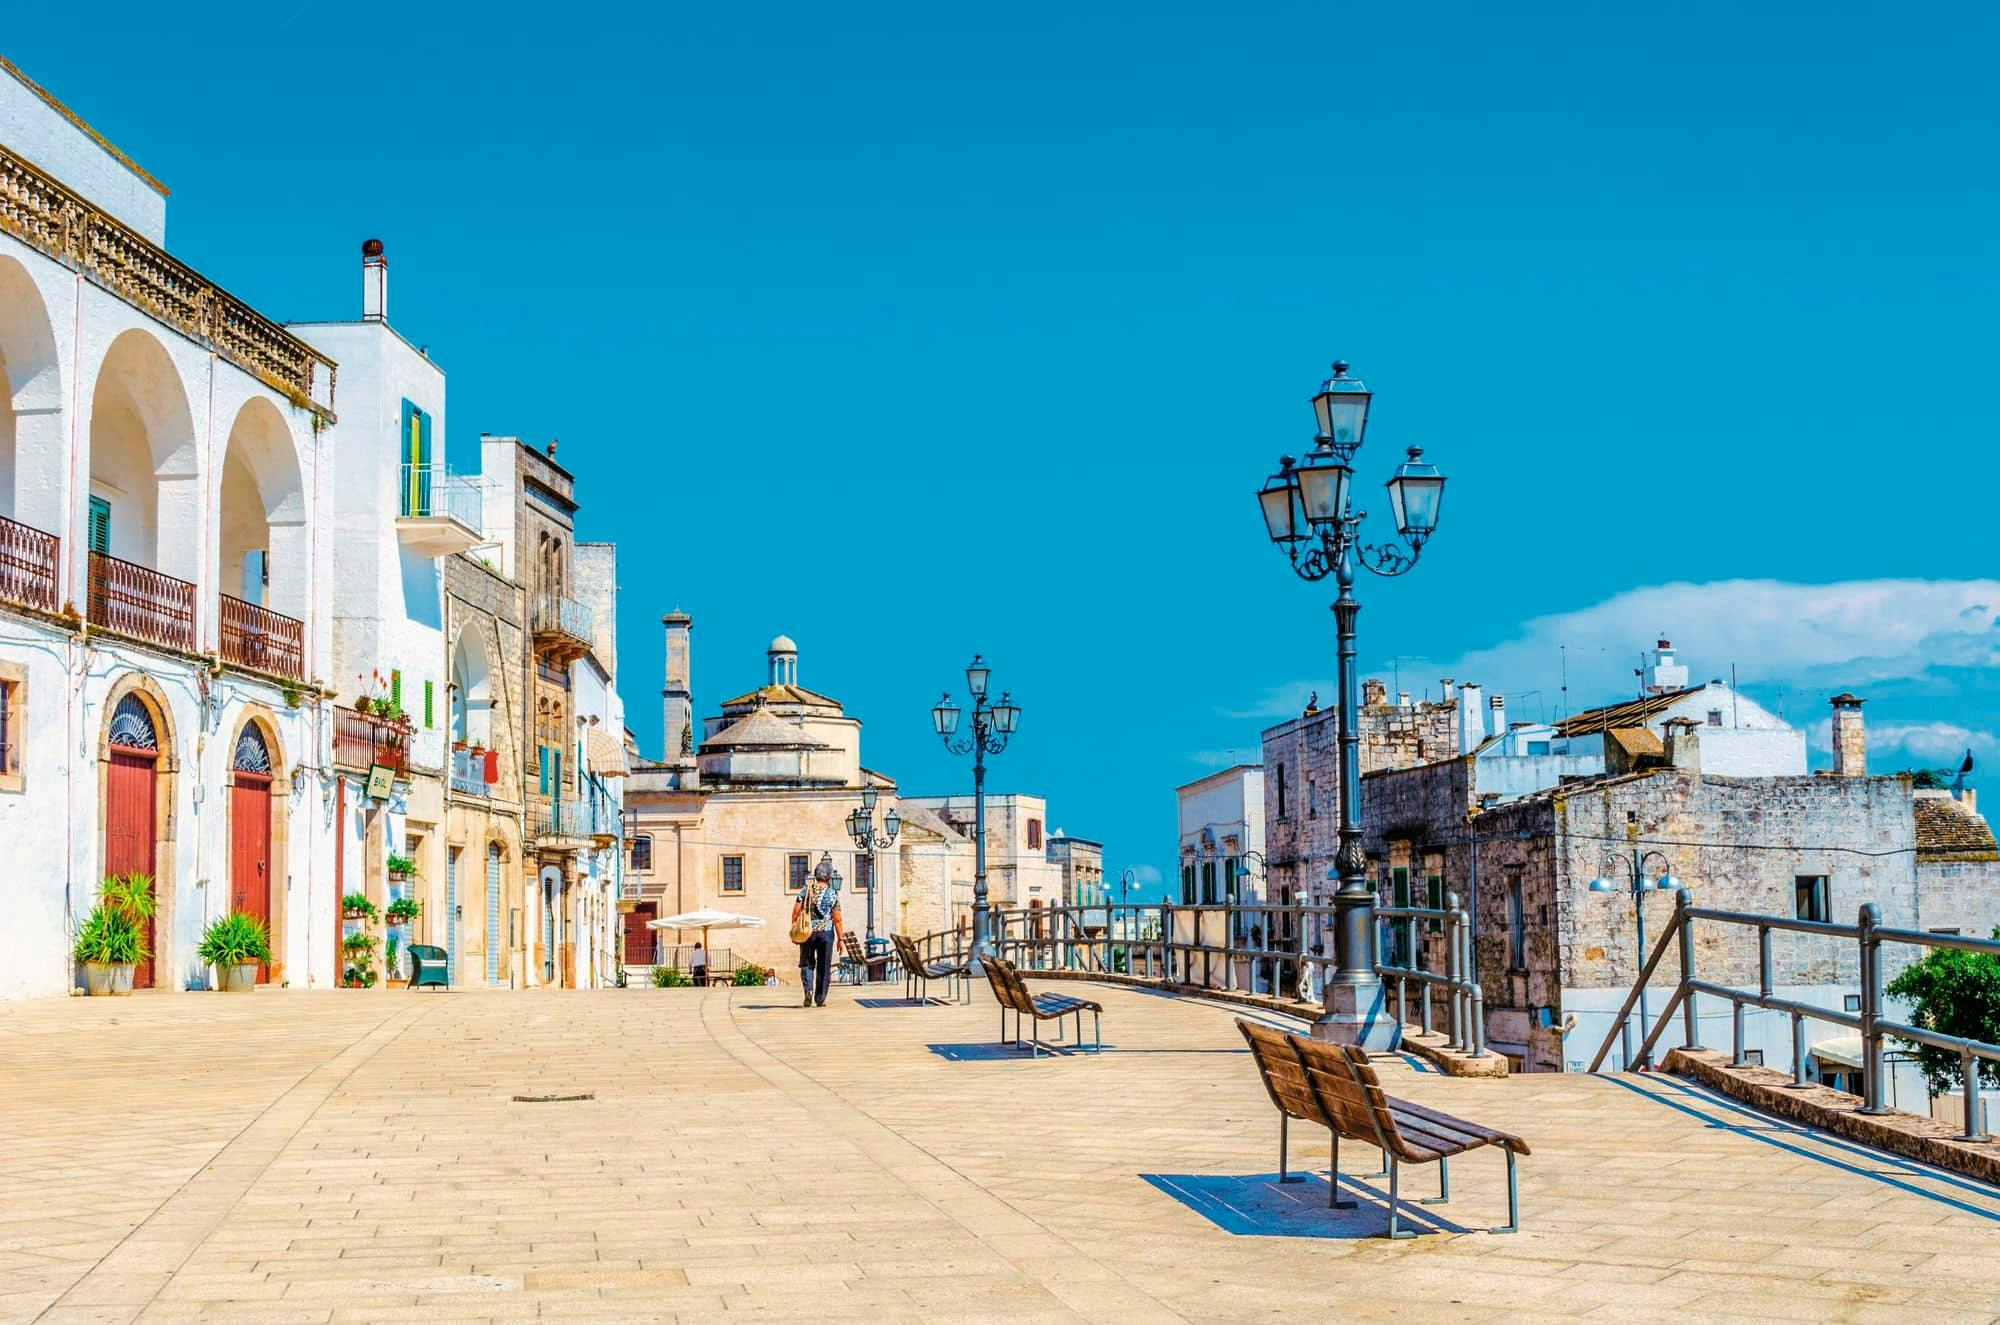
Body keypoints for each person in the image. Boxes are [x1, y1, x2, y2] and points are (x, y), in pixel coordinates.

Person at [793, 857, 843, 1007]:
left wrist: (795, 931)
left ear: (815, 875)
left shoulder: (805, 890)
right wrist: (841, 939)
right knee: (824, 965)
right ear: (828, 877)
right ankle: (820, 998)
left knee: (807, 963)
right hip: (826, 933)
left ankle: (808, 990)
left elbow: (796, 912)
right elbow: (837, 919)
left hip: (808, 932)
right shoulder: (832, 893)